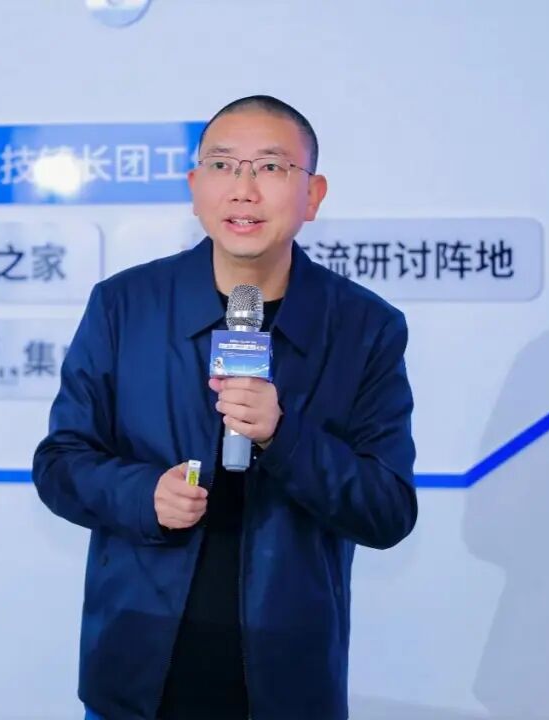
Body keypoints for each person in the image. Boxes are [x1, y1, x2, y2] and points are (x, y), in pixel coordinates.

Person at [33, 95, 418, 720]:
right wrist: (143, 495)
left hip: (287, 682)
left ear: (313, 195)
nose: (243, 189)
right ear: (194, 188)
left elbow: (388, 511)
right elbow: (59, 464)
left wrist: (283, 437)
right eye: (222, 165)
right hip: (135, 673)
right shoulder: (124, 306)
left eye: (270, 167)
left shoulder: (365, 327)